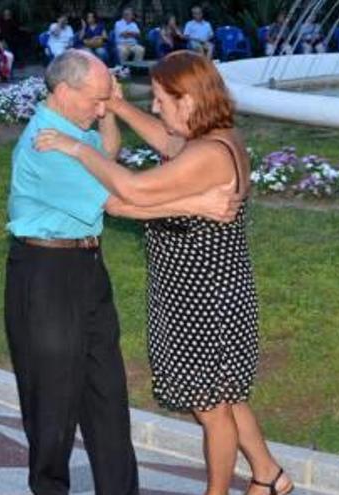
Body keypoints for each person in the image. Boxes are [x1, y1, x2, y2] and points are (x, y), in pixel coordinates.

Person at [33, 50, 294, 495]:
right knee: (227, 397)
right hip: (196, 294)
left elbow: (131, 189)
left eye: (159, 99)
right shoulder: (210, 138)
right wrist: (116, 106)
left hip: (205, 302)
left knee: (212, 409)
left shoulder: (210, 154)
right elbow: (165, 142)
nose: (154, 107)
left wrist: (75, 146)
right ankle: (270, 476)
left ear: (187, 101)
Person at [4, 49, 141, 495]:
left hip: (87, 268)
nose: (102, 108)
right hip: (46, 274)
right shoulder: (47, 143)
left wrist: (107, 118)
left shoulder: (72, 128)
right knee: (52, 403)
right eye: (96, 100)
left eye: (107, 99)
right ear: (64, 91)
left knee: (107, 392)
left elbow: (108, 158)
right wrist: (200, 204)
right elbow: (119, 199)